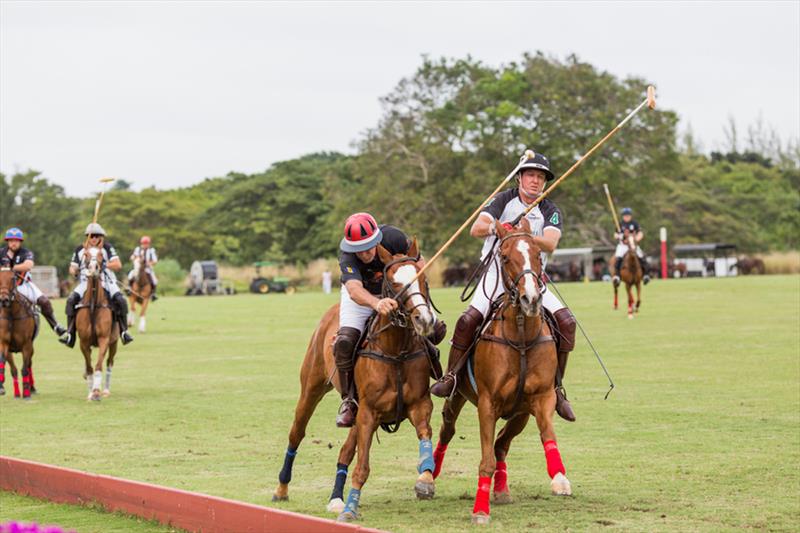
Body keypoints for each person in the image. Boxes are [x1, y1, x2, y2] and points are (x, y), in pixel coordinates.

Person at [430, 150, 577, 422]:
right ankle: (451, 376)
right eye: (530, 175)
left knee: (567, 322)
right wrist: (498, 227)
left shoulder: (549, 209)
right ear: (520, 177)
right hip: (497, 274)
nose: (535, 181)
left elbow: (551, 242)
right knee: (468, 320)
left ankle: (557, 388)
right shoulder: (504, 199)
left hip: (531, 276)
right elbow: (477, 227)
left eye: (540, 177)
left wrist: (521, 235)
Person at [334, 212, 445, 427]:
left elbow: (417, 264)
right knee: (345, 341)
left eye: (368, 247)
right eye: (359, 250)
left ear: (377, 239)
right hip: (364, 296)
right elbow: (354, 290)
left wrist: (416, 289)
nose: (364, 254)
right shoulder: (347, 256)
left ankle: (439, 376)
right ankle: (350, 400)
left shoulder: (394, 238)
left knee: (435, 329)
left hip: (401, 291)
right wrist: (377, 304)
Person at [60, 223, 134, 347]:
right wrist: (75, 270)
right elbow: (72, 268)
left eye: (96, 236)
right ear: (87, 237)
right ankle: (70, 334)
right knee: (71, 300)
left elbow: (118, 264)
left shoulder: (107, 248)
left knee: (121, 300)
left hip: (106, 281)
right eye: (91, 236)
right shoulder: (80, 250)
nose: (94, 238)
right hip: (85, 282)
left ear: (101, 237)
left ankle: (124, 332)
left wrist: (104, 265)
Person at [0, 227, 67, 337]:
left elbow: (29, 265)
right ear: (7, 241)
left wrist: (11, 267)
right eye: (11, 241)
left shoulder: (26, 252)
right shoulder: (1, 252)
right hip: (3, 286)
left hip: (23, 285)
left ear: (20, 242)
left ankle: (55, 326)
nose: (13, 243)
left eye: (16, 241)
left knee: (44, 301)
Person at [612, 207, 651, 285]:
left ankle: (646, 275)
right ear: (623, 216)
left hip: (632, 244)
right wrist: (620, 236)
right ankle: (617, 276)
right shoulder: (620, 224)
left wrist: (636, 239)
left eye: (628, 215)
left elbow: (640, 233)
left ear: (631, 216)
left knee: (642, 257)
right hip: (623, 245)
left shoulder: (634, 223)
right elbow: (615, 234)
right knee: (618, 258)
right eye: (625, 215)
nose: (626, 217)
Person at [127, 235, 159, 300]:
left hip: (147, 268)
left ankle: (153, 294)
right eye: (144, 244)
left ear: (149, 244)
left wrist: (149, 263)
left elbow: (155, 261)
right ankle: (129, 288)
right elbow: (133, 256)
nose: (145, 245)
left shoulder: (151, 251)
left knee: (154, 280)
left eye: (146, 244)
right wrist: (134, 258)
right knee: (130, 275)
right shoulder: (137, 249)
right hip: (138, 268)